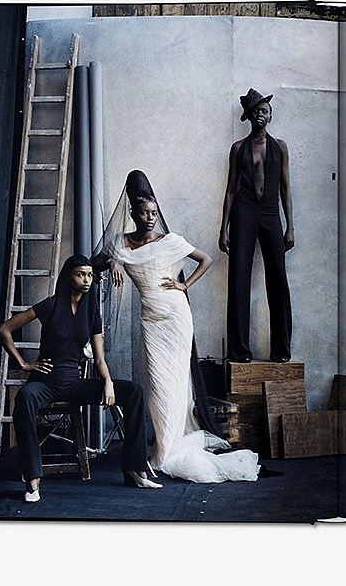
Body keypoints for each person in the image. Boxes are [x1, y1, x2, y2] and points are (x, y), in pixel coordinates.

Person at [94, 170, 261, 483]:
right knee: (157, 386)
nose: (150, 218)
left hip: (176, 318)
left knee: (175, 385)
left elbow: (205, 259)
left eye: (154, 213)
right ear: (132, 213)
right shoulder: (120, 243)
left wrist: (184, 285)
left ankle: (166, 450)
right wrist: (115, 260)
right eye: (144, 213)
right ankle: (164, 445)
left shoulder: (169, 241)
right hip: (151, 320)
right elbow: (93, 264)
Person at [0, 254, 161, 503]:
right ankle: (32, 481)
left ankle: (135, 470)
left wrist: (107, 382)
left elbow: (99, 359)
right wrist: (24, 364)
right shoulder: (50, 305)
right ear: (68, 277)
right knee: (24, 398)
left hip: (74, 384)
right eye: (80, 275)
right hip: (45, 383)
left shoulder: (91, 312)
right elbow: (5, 329)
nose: (86, 280)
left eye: (89, 275)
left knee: (134, 392)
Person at [218, 88, 294, 363]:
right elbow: (230, 190)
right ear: (248, 116)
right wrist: (224, 228)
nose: (260, 114)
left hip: (271, 212)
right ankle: (240, 351)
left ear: (270, 116)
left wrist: (290, 226)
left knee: (278, 279)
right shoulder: (238, 148)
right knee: (239, 278)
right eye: (256, 111)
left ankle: (281, 350)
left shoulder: (280, 147)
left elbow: (285, 188)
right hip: (244, 210)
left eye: (265, 111)